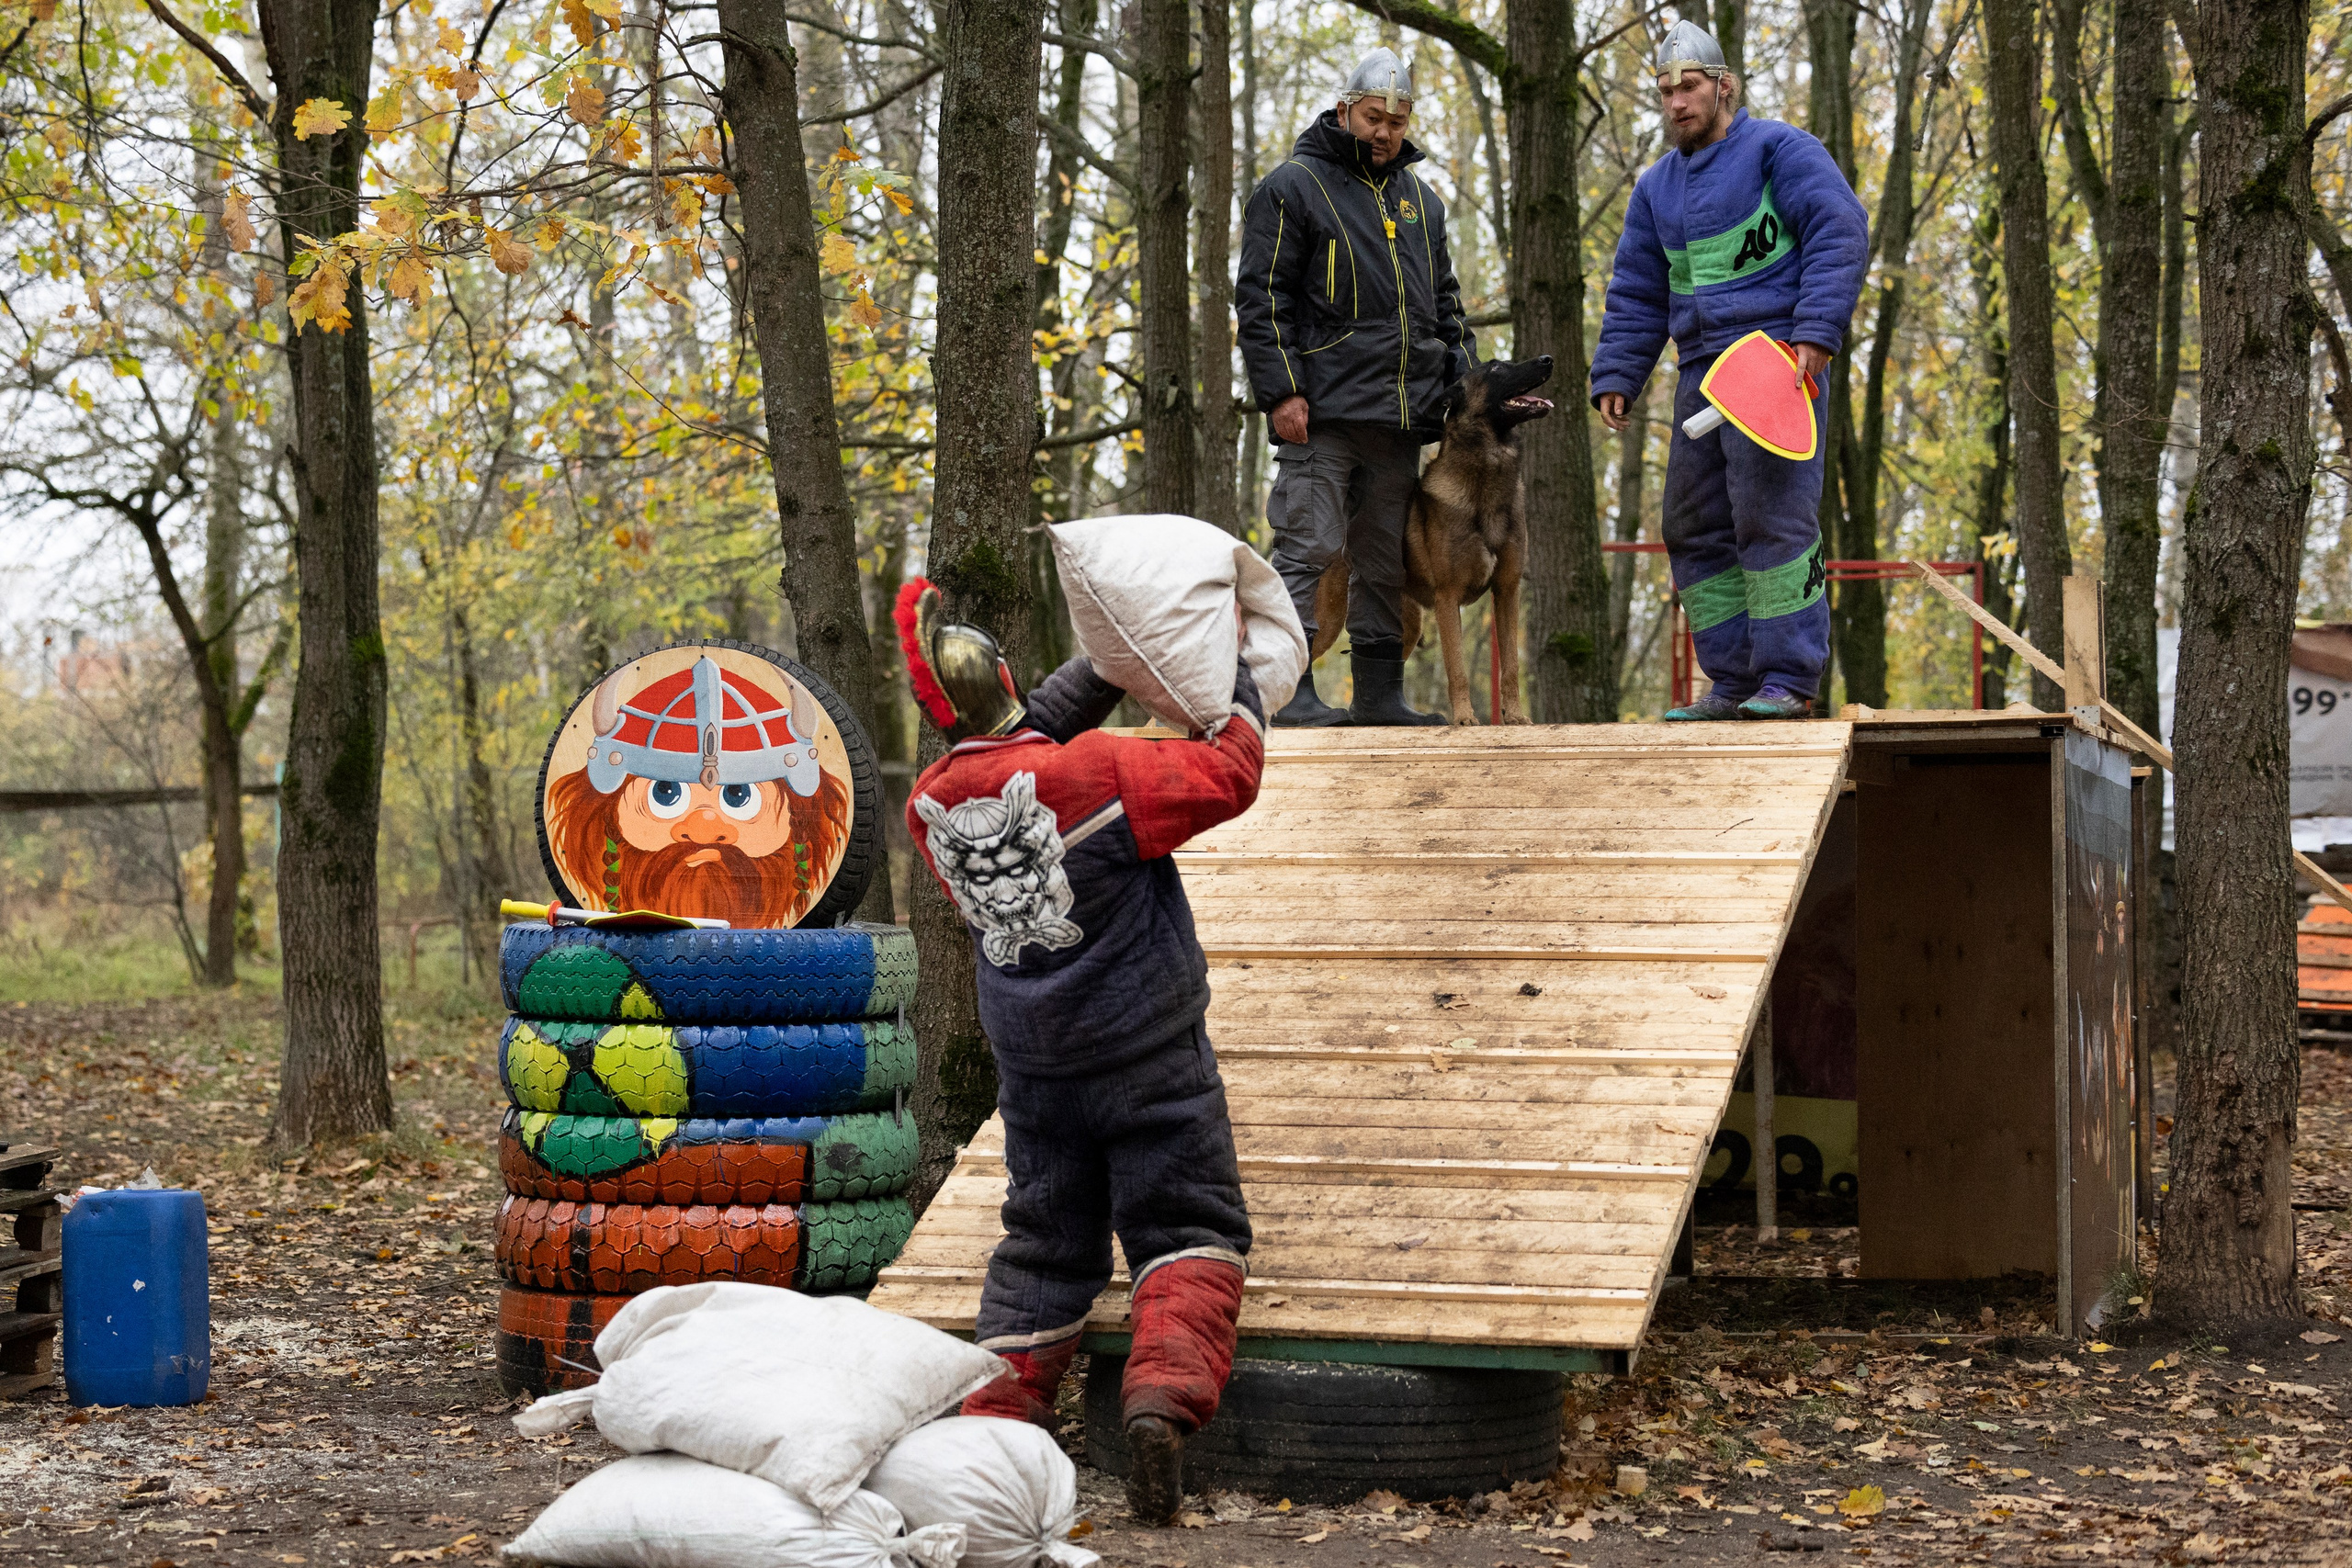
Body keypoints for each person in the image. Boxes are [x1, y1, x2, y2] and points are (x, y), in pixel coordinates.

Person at [895, 577, 1261, 1525]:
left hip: (1037, 1070)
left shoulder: (930, 809)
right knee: (1186, 1224)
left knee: (1044, 1246)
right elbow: (1230, 773)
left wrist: (1104, 664)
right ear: (1009, 678)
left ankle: (996, 1424)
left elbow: (1021, 751)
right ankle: (1161, 1404)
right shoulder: (1101, 772)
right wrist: (1234, 677)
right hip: (1147, 1054)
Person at [1589, 21, 1869, 719]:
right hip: (1701, 373)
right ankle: (1735, 679)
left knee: (1772, 517)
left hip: (1777, 361)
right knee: (1690, 522)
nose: (1678, 102)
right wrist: (1618, 372)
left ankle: (1789, 679)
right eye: (1665, 91)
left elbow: (1841, 227)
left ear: (1724, 86)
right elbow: (1638, 290)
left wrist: (1816, 332)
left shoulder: (1781, 150)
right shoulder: (1655, 190)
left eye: (1689, 86)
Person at [1235, 47, 1476, 728]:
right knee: (1309, 546)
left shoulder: (1422, 204)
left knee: (1383, 560)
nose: (1385, 133)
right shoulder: (1292, 187)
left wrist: (1463, 386)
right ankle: (1288, 691)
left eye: (1397, 122)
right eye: (1373, 117)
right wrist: (1281, 389)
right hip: (1323, 413)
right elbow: (1262, 296)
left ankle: (1379, 695)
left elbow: (1448, 308)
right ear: (1345, 110)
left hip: (1401, 418)